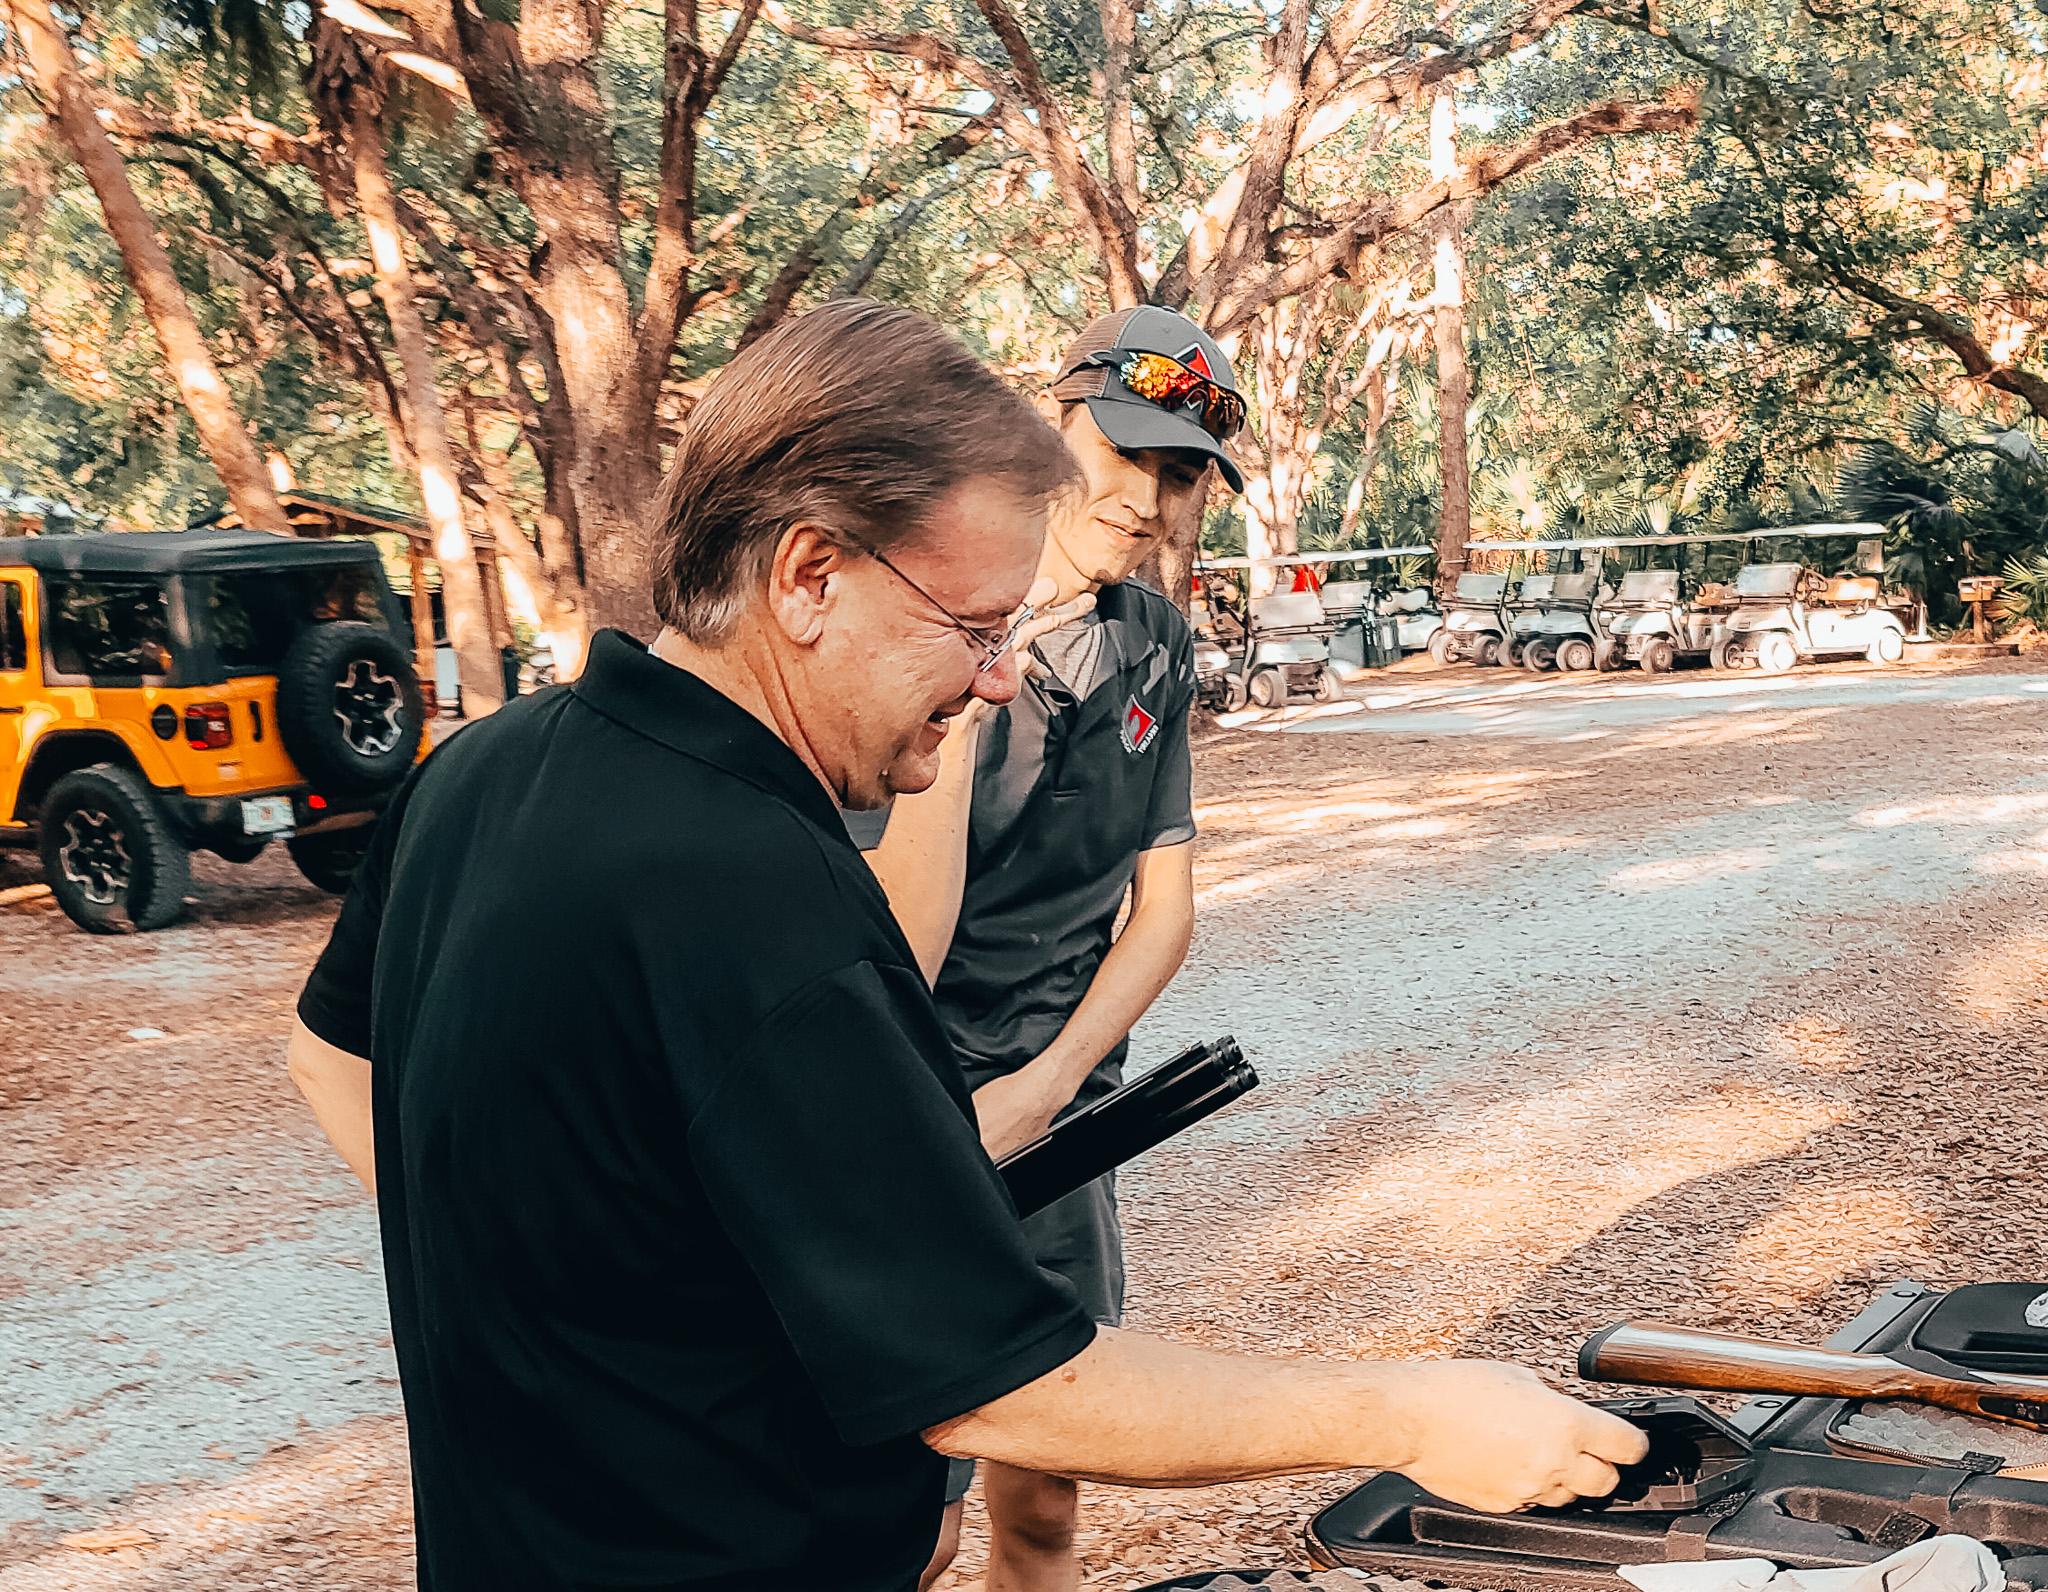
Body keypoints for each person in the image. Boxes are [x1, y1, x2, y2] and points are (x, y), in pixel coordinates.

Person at [285, 298, 1646, 1592]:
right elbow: (1000, 1383)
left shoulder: (479, 771)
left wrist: (551, 1299)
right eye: (976, 630)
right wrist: (1409, 1412)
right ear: (809, 574)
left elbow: (332, 1055)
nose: (997, 678)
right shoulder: (765, 901)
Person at [849, 305, 1246, 1592]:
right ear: (1048, 425)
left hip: (1058, 1116)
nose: (1144, 499)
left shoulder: (1155, 644)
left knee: (1044, 1498)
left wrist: (1045, 1087)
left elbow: (1160, 912)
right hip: (910, 1108)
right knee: (907, 1524)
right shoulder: (932, 613)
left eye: (1180, 473)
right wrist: (946, 1111)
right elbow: (888, 932)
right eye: (1122, 452)